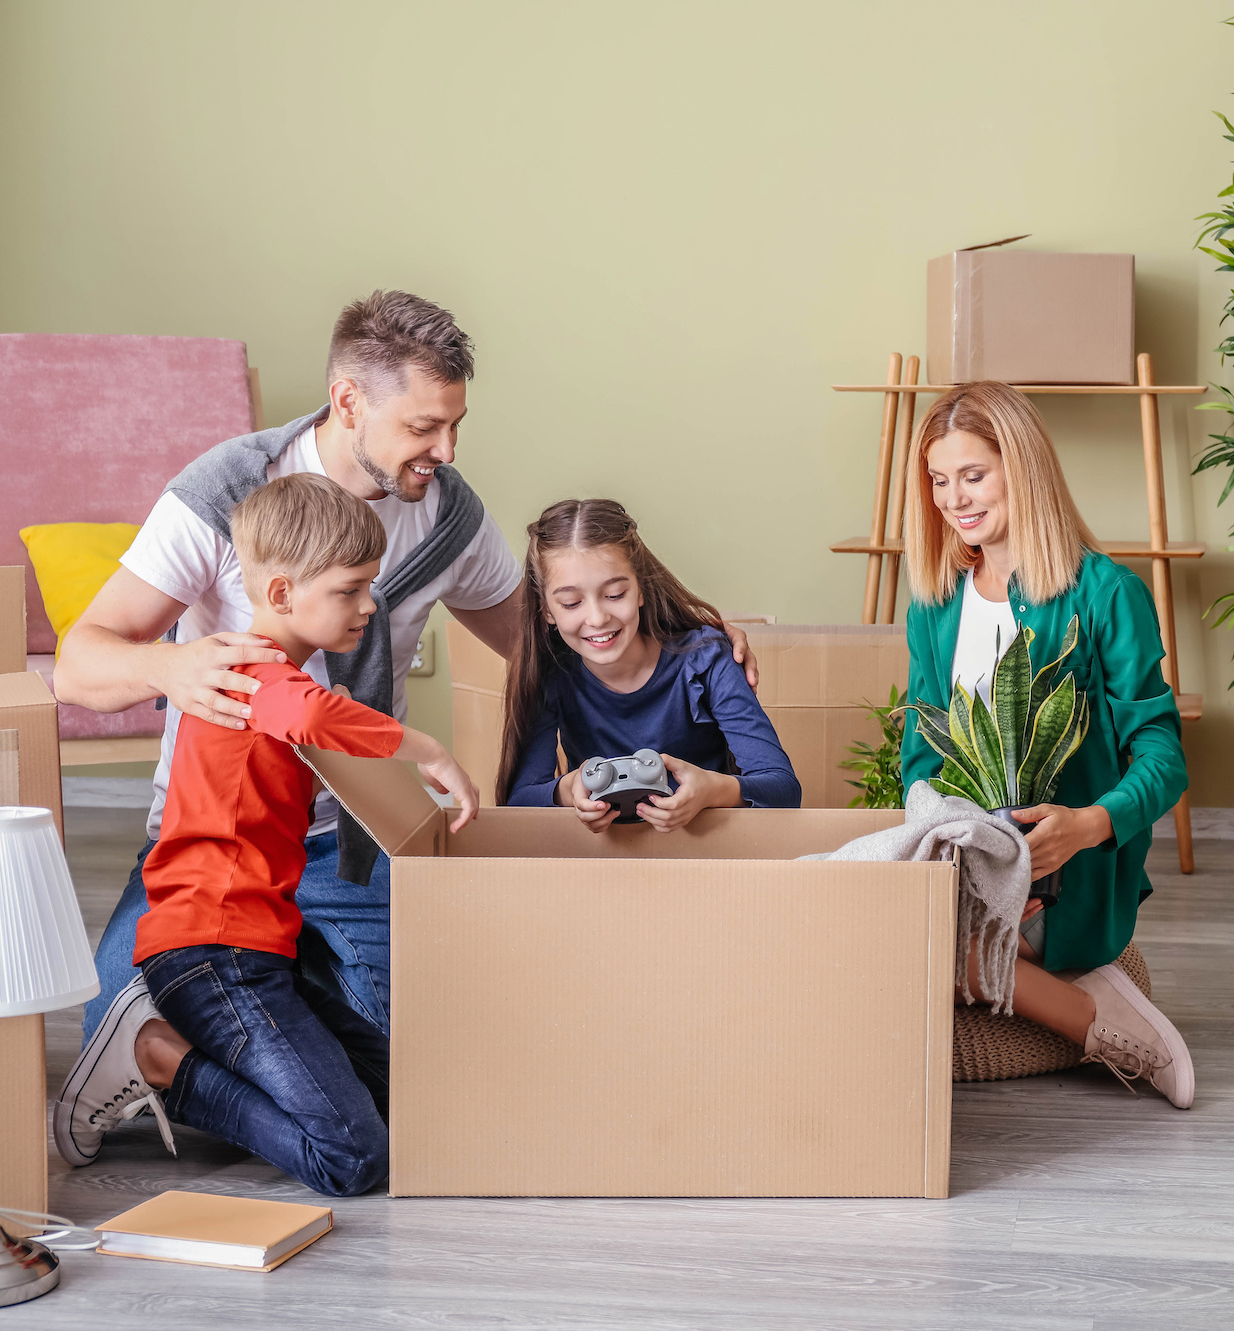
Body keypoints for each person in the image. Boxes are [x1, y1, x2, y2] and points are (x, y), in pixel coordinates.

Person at [50, 290, 760, 1166]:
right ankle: (258, 1025)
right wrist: (170, 666)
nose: (447, 451)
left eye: (456, 424)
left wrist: (692, 642)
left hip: (352, 838)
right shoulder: (232, 490)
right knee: (114, 1024)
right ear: (350, 401)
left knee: (423, 1089)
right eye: (425, 427)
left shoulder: (447, 513)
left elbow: (554, 645)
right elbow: (78, 662)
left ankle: (297, 1001)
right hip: (213, 844)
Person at [132, 474, 479, 1195]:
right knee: (354, 1160)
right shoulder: (255, 675)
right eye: (351, 589)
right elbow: (314, 717)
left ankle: (213, 1060)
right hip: (214, 952)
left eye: (370, 586)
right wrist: (429, 749)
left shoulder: (271, 678)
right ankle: (170, 1064)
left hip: (262, 950)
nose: (369, 604)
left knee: (405, 1099)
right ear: (283, 593)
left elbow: (312, 718)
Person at [899, 381, 1194, 1108]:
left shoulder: (1107, 594)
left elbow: (1163, 756)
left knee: (912, 954)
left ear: (1021, 467)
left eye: (973, 475)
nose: (953, 499)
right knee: (864, 933)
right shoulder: (934, 607)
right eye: (939, 480)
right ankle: (1084, 1004)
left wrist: (1089, 824)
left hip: (1070, 872)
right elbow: (920, 758)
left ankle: (1106, 1024)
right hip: (969, 859)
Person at [502, 499, 799, 830]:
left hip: (705, 854)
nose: (598, 618)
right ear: (546, 610)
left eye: (615, 594)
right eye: (571, 603)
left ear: (640, 590)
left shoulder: (706, 661)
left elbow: (784, 789)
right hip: (605, 862)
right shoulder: (552, 674)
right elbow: (519, 802)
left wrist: (713, 790)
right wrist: (566, 791)